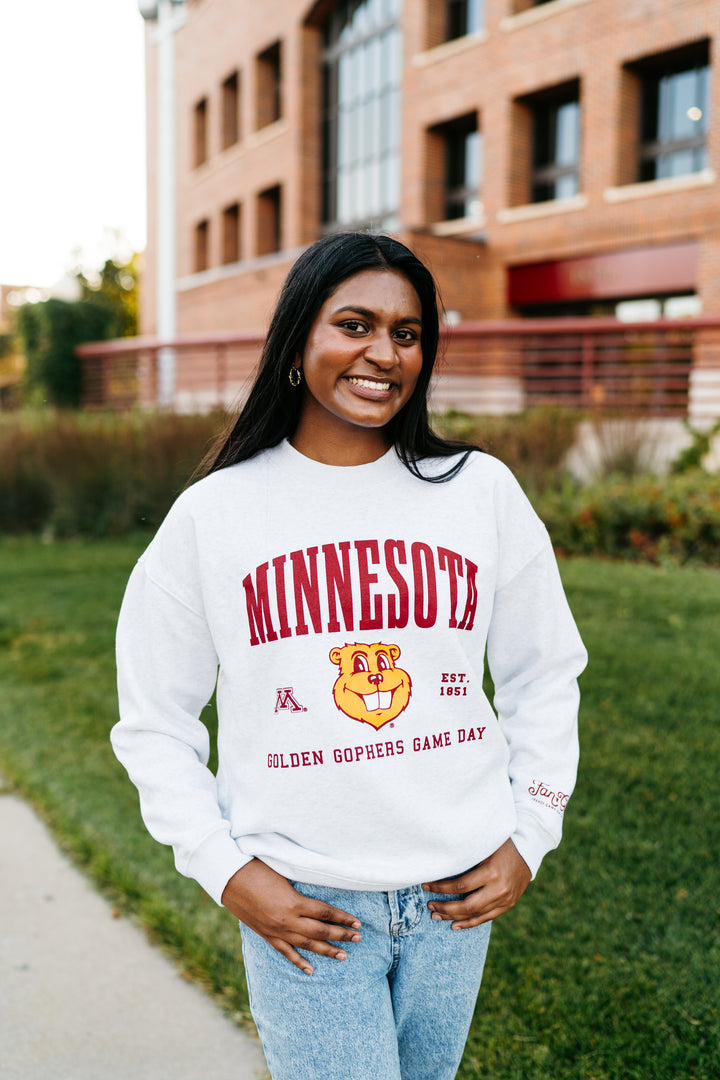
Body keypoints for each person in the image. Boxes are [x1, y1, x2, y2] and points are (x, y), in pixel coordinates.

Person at [112, 232, 587, 1080]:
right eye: (355, 324)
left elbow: (544, 674)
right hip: (306, 900)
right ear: (300, 341)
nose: (383, 353)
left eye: (407, 334)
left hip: (456, 892)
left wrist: (530, 832)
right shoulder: (215, 515)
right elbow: (153, 719)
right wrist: (225, 871)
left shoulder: (478, 493)